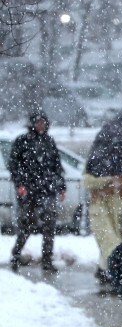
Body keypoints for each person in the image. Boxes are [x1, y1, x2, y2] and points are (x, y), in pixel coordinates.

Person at [9, 109, 66, 274]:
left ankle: (47, 259)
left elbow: (57, 167)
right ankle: (16, 255)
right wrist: (20, 183)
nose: (41, 125)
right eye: (38, 122)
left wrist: (61, 186)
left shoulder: (49, 142)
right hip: (29, 190)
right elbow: (14, 164)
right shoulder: (23, 141)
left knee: (49, 225)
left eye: (44, 122)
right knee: (27, 224)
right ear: (32, 124)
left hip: (47, 190)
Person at [81, 170, 122, 291]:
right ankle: (114, 275)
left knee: (113, 244)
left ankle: (103, 270)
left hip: (116, 212)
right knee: (111, 243)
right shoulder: (95, 163)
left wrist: (121, 182)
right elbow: (86, 181)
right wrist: (109, 180)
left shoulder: (120, 165)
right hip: (100, 211)